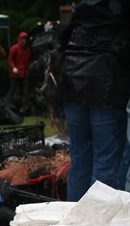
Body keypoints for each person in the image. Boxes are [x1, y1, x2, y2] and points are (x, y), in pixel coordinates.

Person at [58, 0, 130, 201]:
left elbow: (61, 44)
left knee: (80, 161)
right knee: (104, 164)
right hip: (106, 89)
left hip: (73, 85)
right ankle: (96, 225)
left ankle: (74, 224)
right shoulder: (118, 13)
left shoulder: (82, 11)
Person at [6, 32, 31, 107]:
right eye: (23, 39)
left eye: (26, 39)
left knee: (23, 89)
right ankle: (8, 102)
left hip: (23, 72)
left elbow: (27, 61)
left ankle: (23, 104)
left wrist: (27, 70)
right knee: (13, 87)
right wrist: (13, 67)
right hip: (15, 72)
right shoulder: (15, 48)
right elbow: (10, 59)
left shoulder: (27, 49)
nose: (24, 41)